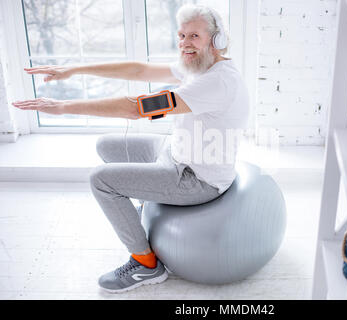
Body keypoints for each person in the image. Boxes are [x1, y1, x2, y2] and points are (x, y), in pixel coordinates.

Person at [12, 4, 249, 293]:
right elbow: (140, 70)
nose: (185, 44)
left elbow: (139, 109)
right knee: (107, 146)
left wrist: (62, 107)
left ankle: (146, 265)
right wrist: (73, 69)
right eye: (181, 35)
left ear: (217, 40)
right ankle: (144, 213)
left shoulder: (217, 82)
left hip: (196, 178)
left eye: (194, 36)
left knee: (101, 180)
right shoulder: (199, 65)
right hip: (175, 151)